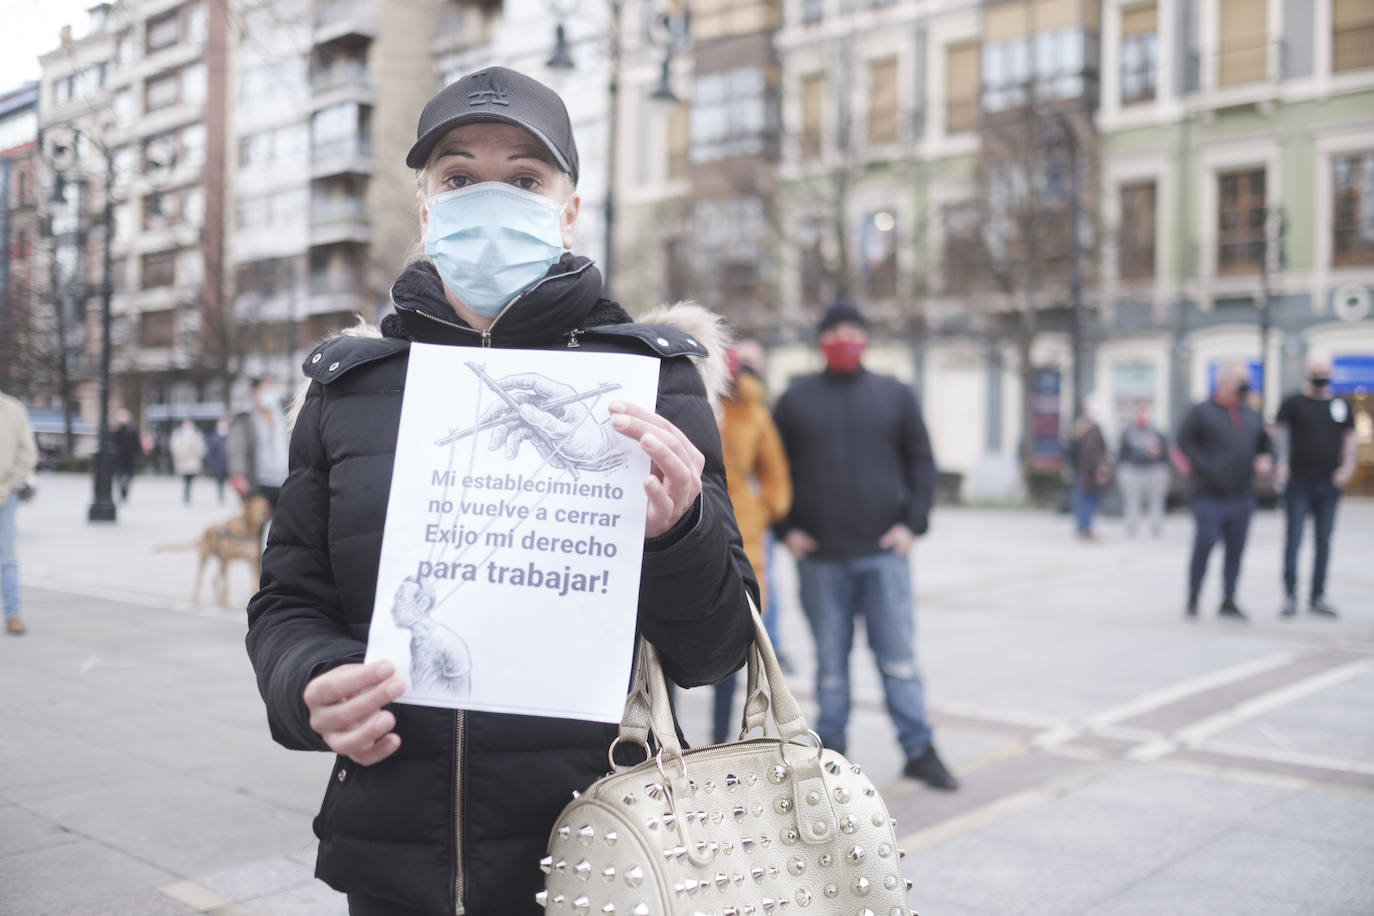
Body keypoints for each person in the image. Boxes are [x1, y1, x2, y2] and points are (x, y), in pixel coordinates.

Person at [243, 66, 756, 916]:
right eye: (458, 176)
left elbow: (716, 649)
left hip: (602, 850)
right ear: (425, 207)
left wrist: (679, 533)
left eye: (524, 178)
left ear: (568, 209)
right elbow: (289, 602)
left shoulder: (649, 383)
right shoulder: (350, 389)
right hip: (393, 854)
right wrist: (309, 683)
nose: (490, 199)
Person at [772, 299, 957, 791]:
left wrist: (911, 525)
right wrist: (786, 528)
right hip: (820, 559)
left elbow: (921, 461)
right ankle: (831, 753)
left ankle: (919, 748)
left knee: (898, 658)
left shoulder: (894, 395)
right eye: (834, 332)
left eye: (852, 330)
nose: (844, 340)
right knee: (830, 664)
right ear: (819, 342)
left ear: (867, 338)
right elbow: (773, 470)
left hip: (883, 555)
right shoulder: (795, 401)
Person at [710, 340, 792, 744]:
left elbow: (774, 466)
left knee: (736, 637)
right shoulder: (686, 398)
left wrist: (767, 507)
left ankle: (725, 739)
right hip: (690, 524)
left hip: (742, 531)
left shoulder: (753, 412)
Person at [1176, 363, 1274, 620]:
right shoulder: (1201, 411)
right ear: (1224, 381)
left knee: (1236, 550)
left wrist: (1266, 458)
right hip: (1209, 494)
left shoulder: (1251, 413)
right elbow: (1184, 442)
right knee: (1205, 543)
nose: (1244, 384)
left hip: (1242, 494)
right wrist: (1206, 467)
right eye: (1240, 379)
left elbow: (1266, 444)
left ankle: (1228, 600)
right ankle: (1193, 597)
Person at [1275, 356, 1357, 618]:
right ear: (1308, 373)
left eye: (1324, 371)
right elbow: (1275, 432)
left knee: (1323, 542)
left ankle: (1317, 596)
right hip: (1298, 483)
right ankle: (1290, 596)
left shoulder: (1340, 405)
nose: (1320, 375)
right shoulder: (1293, 402)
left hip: (1328, 485)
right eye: (1316, 371)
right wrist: (1280, 462)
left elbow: (1350, 438)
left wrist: (1347, 468)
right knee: (1294, 540)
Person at [1, 388, 38, 636]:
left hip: (5, 495)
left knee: (7, 558)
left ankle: (13, 614)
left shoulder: (12, 409)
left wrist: (8, 486)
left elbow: (28, 454)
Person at [226, 377, 290, 509]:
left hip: (285, 481)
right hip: (258, 481)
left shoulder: (284, 415)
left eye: (272, 389)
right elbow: (236, 448)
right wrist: (238, 474)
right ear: (255, 392)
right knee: (255, 525)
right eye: (266, 389)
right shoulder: (245, 417)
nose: (270, 393)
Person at [1117, 404, 1170, 538]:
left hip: (1154, 470)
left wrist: (1158, 454)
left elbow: (1166, 453)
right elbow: (1122, 454)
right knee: (1132, 501)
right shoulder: (1129, 433)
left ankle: (1156, 528)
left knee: (1156, 501)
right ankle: (1131, 528)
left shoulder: (1157, 433)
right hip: (1133, 470)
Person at [1069, 393, 1111, 540]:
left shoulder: (1080, 426)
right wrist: (1101, 466)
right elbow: (1092, 452)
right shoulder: (1090, 429)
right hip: (1088, 472)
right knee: (1087, 499)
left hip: (1082, 470)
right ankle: (1085, 529)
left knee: (1084, 499)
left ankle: (1083, 527)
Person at [170, 418, 208, 505]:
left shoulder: (197, 435)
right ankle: (186, 497)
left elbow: (202, 448)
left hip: (193, 462)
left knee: (190, 480)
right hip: (183, 462)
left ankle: (188, 497)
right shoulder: (178, 434)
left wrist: (194, 448)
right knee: (185, 480)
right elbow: (175, 448)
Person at [111, 409, 142, 502]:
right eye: (121, 416)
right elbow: (112, 442)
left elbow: (136, 444)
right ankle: (122, 489)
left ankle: (125, 489)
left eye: (125, 416)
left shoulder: (132, 431)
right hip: (118, 458)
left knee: (129, 476)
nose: (123, 419)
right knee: (119, 476)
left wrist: (138, 452)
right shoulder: (116, 431)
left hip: (130, 458)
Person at [205, 418, 229, 504]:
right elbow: (211, 452)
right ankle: (221, 496)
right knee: (220, 482)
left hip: (228, 464)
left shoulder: (230, 436)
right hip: (218, 464)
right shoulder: (214, 437)